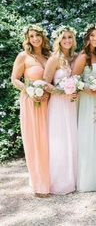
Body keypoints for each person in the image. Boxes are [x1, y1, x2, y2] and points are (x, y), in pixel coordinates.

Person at [11, 24, 50, 197]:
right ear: (28, 38)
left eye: (38, 35)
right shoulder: (23, 56)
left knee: (49, 141)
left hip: (48, 103)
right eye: (32, 36)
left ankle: (51, 178)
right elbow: (14, 79)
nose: (35, 39)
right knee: (35, 141)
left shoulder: (48, 56)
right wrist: (30, 90)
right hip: (31, 102)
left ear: (42, 37)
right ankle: (38, 184)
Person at [72, 23, 96, 192]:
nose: (95, 39)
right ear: (86, 38)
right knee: (89, 134)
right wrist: (91, 90)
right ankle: (88, 178)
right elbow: (74, 80)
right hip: (88, 101)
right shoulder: (83, 56)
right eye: (92, 36)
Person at [43, 25, 78, 194]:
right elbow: (45, 83)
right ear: (58, 40)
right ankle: (59, 180)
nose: (67, 41)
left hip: (72, 104)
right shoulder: (54, 58)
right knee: (60, 140)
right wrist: (62, 92)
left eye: (70, 37)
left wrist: (74, 90)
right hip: (58, 105)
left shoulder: (75, 57)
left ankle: (74, 177)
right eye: (64, 38)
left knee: (73, 138)